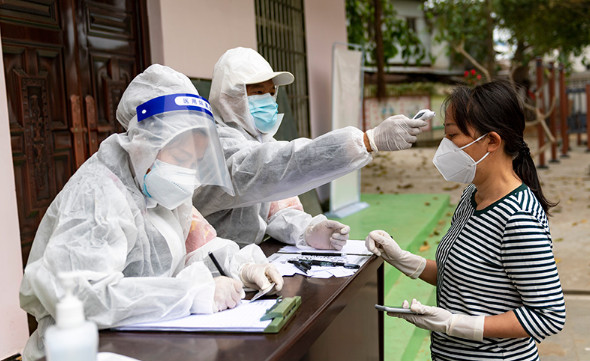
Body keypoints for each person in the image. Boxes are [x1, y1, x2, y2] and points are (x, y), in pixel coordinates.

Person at [19, 64, 283, 361]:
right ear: (144, 142)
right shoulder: (99, 195)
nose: (187, 171)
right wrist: (191, 295)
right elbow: (85, 297)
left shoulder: (156, 184)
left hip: (146, 342)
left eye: (194, 160)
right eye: (181, 157)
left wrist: (241, 266)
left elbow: (196, 244)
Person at [365, 80, 566, 360]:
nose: (444, 145)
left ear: (492, 141)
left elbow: (548, 316)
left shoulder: (517, 217)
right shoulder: (472, 195)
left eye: (452, 135)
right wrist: (402, 259)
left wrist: (455, 324)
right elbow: (464, 275)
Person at [189, 47, 428, 250]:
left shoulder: (259, 142)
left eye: (272, 92)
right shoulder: (216, 144)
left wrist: (309, 230)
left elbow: (275, 208)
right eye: (258, 92)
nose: (269, 99)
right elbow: (275, 166)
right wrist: (366, 141)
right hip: (214, 269)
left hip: (250, 262)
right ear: (230, 97)